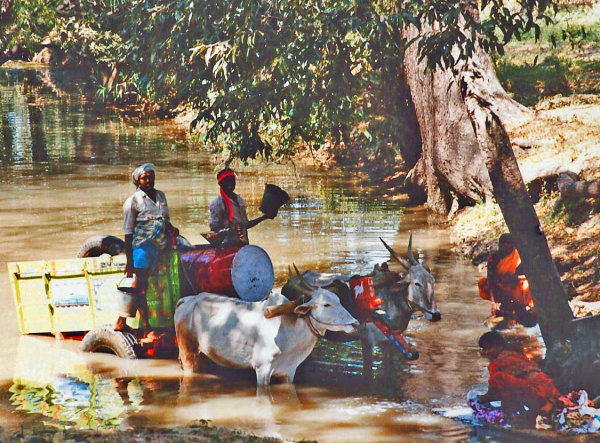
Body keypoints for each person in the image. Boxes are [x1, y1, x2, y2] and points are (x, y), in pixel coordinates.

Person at [115, 163, 178, 332]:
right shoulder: (133, 202)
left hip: (160, 246)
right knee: (139, 285)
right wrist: (130, 261)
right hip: (142, 247)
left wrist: (171, 228)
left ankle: (138, 323)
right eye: (144, 178)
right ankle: (124, 321)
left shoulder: (161, 196)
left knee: (143, 285)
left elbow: (163, 219)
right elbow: (128, 233)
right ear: (138, 181)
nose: (148, 180)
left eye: (150, 176)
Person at [475, 331, 559, 420]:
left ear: (499, 346)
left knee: (498, 378)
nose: (486, 352)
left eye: (489, 348)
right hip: (549, 393)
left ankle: (514, 416)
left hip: (541, 394)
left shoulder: (499, 361)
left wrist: (479, 400)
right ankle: (521, 414)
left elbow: (494, 392)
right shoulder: (513, 354)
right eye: (484, 349)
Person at [478, 233, 536, 327]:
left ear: (513, 245)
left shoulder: (518, 257)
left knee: (526, 285)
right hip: (500, 287)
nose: (506, 246)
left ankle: (521, 310)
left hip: (516, 287)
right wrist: (493, 301)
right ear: (500, 245)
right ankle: (506, 311)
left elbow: (526, 275)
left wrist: (515, 278)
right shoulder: (494, 258)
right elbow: (491, 280)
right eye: (503, 244)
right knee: (483, 284)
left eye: (509, 244)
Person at [209, 168, 274, 246]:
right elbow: (214, 230)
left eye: (232, 181)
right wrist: (231, 230)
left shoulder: (239, 200)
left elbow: (245, 225)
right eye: (226, 181)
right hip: (227, 247)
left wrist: (264, 217)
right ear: (220, 184)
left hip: (242, 244)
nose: (230, 184)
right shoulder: (217, 203)